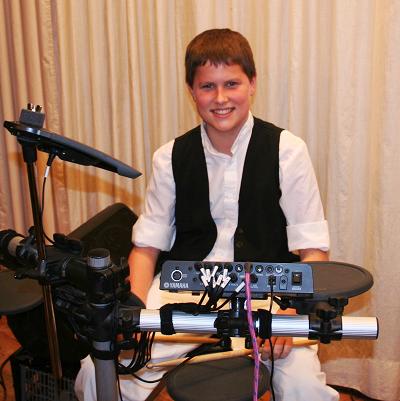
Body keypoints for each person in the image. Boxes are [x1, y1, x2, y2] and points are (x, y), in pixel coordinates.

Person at [75, 28, 339, 401]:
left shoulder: (288, 151)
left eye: (231, 83)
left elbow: (313, 249)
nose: (220, 98)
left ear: (252, 84)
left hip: (268, 298)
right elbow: (146, 247)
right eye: (207, 87)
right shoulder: (169, 157)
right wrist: (132, 311)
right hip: (183, 297)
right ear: (191, 90)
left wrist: (295, 317)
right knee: (96, 372)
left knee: (304, 388)